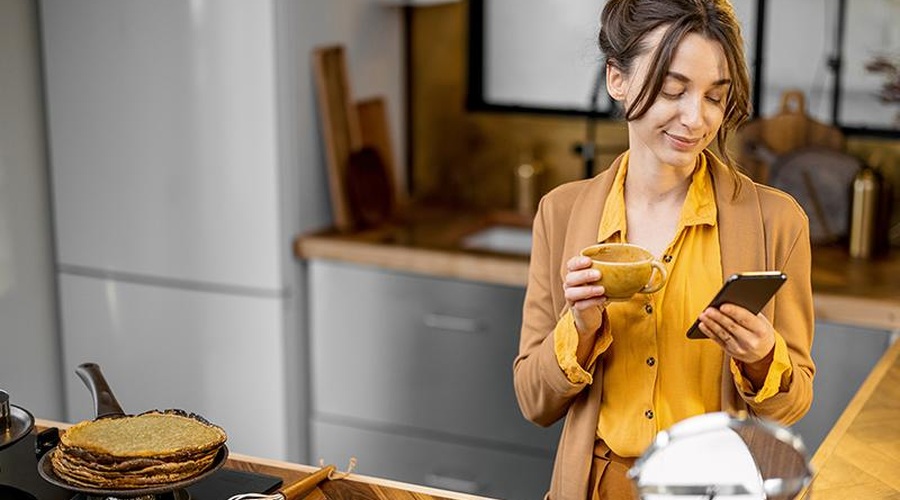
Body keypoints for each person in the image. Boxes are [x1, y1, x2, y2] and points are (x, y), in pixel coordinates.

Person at [512, 1, 816, 498]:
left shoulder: (777, 223)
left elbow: (793, 403)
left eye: (715, 97)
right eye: (673, 91)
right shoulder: (561, 212)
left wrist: (762, 357)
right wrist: (581, 328)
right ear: (618, 79)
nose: (696, 119)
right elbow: (533, 400)